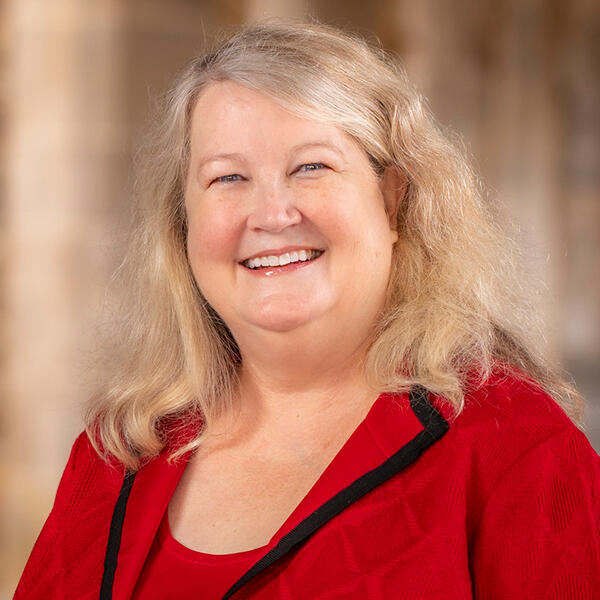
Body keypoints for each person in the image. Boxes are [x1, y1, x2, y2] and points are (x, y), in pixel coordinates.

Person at [14, 21, 600, 600]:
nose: (272, 213)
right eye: (227, 177)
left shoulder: (522, 451)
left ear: (392, 201)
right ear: (183, 224)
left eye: (311, 167)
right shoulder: (119, 449)